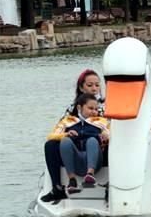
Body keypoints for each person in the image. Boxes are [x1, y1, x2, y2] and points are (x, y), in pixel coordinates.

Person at [40, 69, 106, 203]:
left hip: (98, 147)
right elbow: (58, 128)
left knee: (96, 140)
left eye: (97, 85)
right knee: (51, 145)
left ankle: (112, 185)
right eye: (90, 85)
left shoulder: (106, 107)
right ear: (81, 87)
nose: (94, 88)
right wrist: (67, 134)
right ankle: (57, 187)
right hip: (75, 147)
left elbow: (110, 129)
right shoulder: (72, 109)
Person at [46, 93, 110, 195]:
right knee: (65, 141)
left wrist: (105, 135)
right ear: (80, 107)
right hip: (75, 160)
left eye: (96, 109)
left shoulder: (101, 122)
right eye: (90, 108)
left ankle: (90, 175)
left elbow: (110, 134)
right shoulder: (67, 121)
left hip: (95, 160)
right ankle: (72, 180)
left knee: (92, 140)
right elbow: (52, 136)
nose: (94, 112)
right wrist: (66, 134)